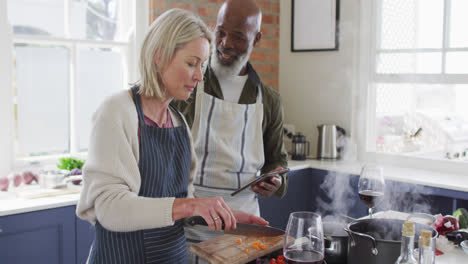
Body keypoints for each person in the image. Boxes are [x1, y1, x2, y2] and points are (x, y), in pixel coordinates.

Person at [76, 8, 268, 264]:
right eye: (191, 63)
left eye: (202, 65)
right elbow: (110, 207)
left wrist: (225, 216)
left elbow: (181, 206)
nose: (199, 76)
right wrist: (190, 206)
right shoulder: (117, 111)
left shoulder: (177, 122)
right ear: (159, 55)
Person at [173, 0, 288, 261]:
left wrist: (276, 180)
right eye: (221, 32)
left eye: (238, 36)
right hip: (190, 224)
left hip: (243, 229)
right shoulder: (190, 85)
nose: (225, 43)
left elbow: (277, 161)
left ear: (256, 38)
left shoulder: (269, 100)